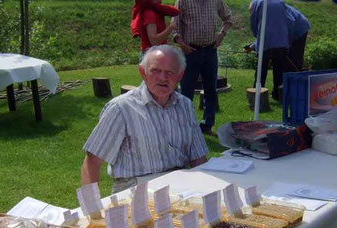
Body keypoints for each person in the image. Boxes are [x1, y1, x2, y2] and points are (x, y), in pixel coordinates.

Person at [81, 45, 208, 194]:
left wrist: (206, 191)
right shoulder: (121, 108)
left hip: (180, 188)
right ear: (143, 72)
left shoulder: (185, 105)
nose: (162, 78)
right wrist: (91, 211)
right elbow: (92, 163)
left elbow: (198, 158)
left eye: (170, 72)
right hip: (136, 191)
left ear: (180, 76)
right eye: (155, 70)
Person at [172, 0, 232, 135]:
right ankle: (185, 128)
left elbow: (228, 17)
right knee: (186, 93)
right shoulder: (182, 1)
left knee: (211, 90)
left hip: (211, 51)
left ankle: (207, 126)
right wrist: (182, 44)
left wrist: (222, 34)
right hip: (191, 52)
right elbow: (174, 26)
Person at [248, 0, 289, 101]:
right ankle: (278, 94)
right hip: (281, 40)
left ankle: (257, 94)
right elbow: (287, 19)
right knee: (278, 69)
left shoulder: (257, 2)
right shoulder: (281, 2)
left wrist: (256, 36)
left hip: (265, 40)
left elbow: (253, 22)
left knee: (261, 69)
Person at [284, 4, 310, 72]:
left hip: (299, 28)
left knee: (295, 57)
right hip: (295, 27)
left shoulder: (276, 8)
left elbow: (291, 22)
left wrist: (289, 41)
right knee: (290, 57)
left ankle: (296, 75)